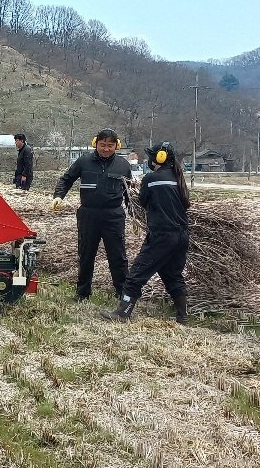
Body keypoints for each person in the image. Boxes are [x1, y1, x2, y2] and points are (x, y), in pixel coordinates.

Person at [104, 142, 192, 324]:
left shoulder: (151, 179)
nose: (150, 159)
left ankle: (122, 313)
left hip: (162, 236)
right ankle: (182, 317)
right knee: (173, 275)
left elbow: (143, 201)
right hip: (182, 236)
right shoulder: (178, 178)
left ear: (160, 158)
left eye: (152, 156)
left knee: (136, 274)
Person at [51, 128, 132, 301]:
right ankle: (83, 293)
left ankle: (122, 293)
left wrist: (133, 214)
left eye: (110, 145)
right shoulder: (83, 161)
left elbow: (129, 193)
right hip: (88, 215)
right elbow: (66, 179)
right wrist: (58, 196)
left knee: (118, 256)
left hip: (114, 216)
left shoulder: (123, 165)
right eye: (102, 145)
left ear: (116, 146)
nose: (106, 149)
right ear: (95, 144)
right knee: (86, 254)